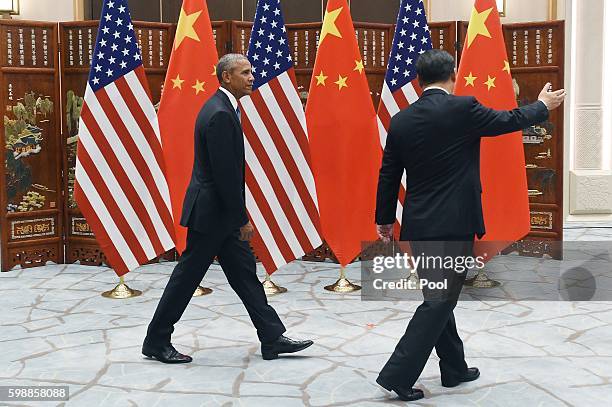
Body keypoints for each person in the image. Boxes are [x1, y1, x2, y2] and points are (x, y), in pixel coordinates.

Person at [374, 49, 565, 401]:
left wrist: (384, 219)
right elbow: (507, 121)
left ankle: (454, 368)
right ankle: (397, 376)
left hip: (418, 224)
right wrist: (542, 106)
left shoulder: (400, 119)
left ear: (419, 79)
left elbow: (389, 175)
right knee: (440, 301)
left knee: (438, 296)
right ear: (453, 74)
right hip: (454, 222)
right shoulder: (463, 108)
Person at [143, 54, 313, 364]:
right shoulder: (220, 113)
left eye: (251, 71)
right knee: (186, 278)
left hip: (217, 213)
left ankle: (272, 337)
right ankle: (156, 340)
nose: (252, 77)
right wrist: (241, 220)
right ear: (226, 78)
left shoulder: (223, 108)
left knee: (245, 276)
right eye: (244, 72)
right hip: (212, 215)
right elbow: (225, 176)